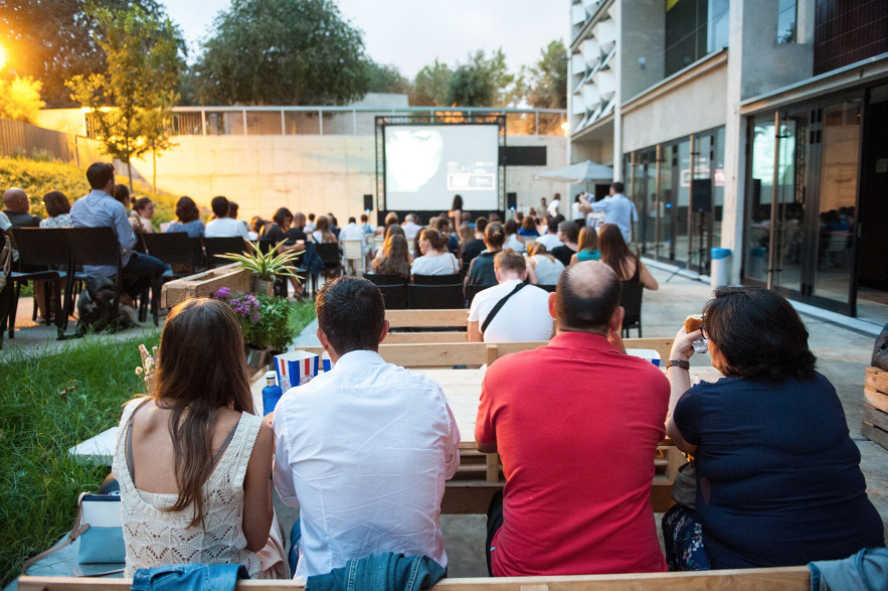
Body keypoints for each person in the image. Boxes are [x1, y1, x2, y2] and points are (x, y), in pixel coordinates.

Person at [664, 287, 884, 570]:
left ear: (728, 345)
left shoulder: (707, 402)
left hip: (758, 569)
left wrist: (678, 361)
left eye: (710, 335)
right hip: (855, 564)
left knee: (676, 519)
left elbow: (677, 434)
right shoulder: (821, 387)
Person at [477, 261, 669, 576]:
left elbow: (486, 445)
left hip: (525, 569)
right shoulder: (652, 381)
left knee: (501, 501)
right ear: (617, 318)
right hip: (633, 570)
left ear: (552, 305)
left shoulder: (504, 373)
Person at [272, 277, 460, 577]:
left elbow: (289, 494)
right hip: (418, 578)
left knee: (300, 530)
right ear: (384, 331)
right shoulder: (428, 393)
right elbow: (448, 468)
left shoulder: (293, 404)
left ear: (322, 337)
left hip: (331, 580)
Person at [112, 298, 286, 578]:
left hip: (145, 585)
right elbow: (256, 540)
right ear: (231, 358)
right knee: (276, 540)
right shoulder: (252, 432)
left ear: (168, 354)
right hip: (219, 584)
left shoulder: (132, 414)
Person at [71, 162, 167, 300]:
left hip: (89, 265)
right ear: (110, 182)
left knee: (137, 262)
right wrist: (133, 232)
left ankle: (117, 297)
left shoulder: (76, 206)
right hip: (113, 264)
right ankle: (126, 296)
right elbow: (127, 243)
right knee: (159, 267)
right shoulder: (115, 207)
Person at [468, 250, 553, 342]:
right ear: (525, 274)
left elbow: (474, 342)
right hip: (537, 355)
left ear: (497, 274)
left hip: (497, 356)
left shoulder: (481, 297)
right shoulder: (546, 296)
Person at [598, 223, 658, 290]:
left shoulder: (601, 266)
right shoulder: (635, 263)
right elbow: (654, 286)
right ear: (621, 239)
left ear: (601, 243)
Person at [465, 222, 505, 288]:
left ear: (484, 240)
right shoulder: (513, 261)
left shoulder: (475, 262)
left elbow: (468, 289)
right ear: (504, 239)